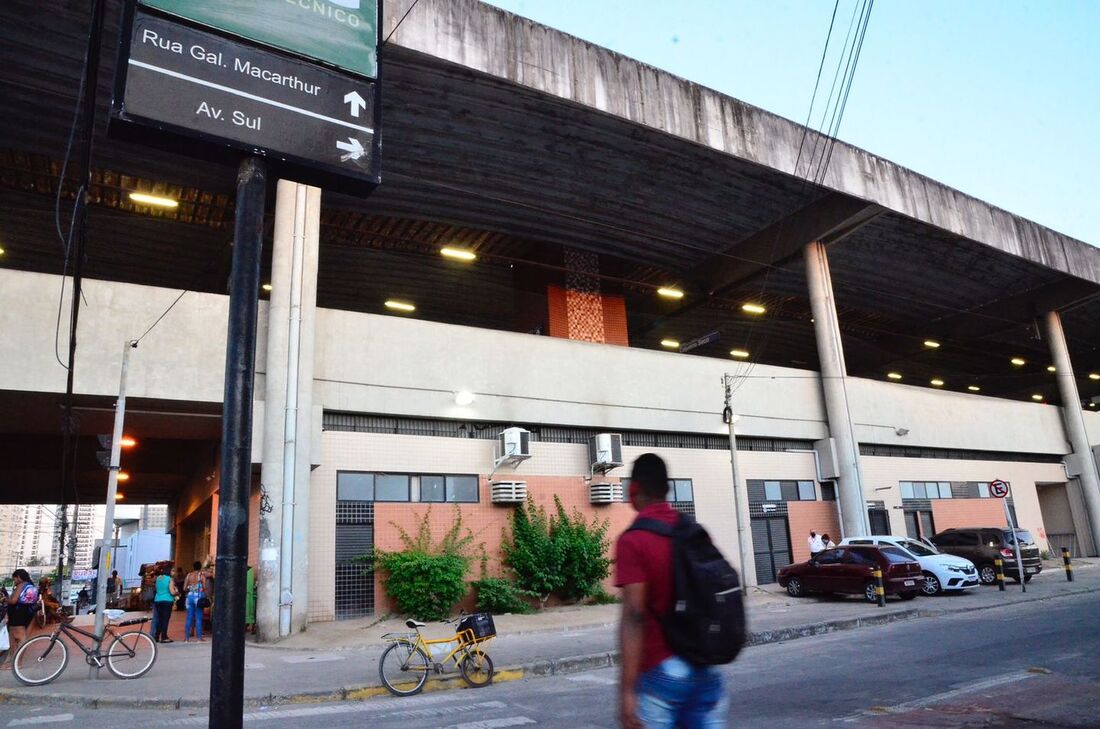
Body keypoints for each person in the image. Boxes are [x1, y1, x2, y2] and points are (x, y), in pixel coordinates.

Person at [616, 453, 727, 729]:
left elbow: (634, 617)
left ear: (633, 490)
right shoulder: (695, 532)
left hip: (663, 670)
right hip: (706, 668)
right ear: (668, 489)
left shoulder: (634, 541)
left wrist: (627, 690)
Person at [1, 570, 39, 670]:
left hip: (18, 613)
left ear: (18, 577)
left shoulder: (21, 585)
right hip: (27, 612)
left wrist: (5, 599)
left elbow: (13, 601)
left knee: (20, 638)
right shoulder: (30, 585)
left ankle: (18, 663)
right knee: (15, 638)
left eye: (14, 578)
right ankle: (11, 661)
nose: (14, 581)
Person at [183, 562, 208, 642]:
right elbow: (204, 587)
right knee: (198, 617)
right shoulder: (201, 576)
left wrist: (191, 588)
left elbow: (184, 588)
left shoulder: (188, 575)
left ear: (193, 567)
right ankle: (199, 638)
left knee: (189, 617)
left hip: (189, 597)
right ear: (200, 567)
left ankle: (186, 638)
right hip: (198, 597)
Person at [153, 565, 177, 643]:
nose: (174, 572)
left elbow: (156, 589)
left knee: (159, 619)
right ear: (169, 571)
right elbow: (172, 592)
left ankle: (156, 636)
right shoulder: (170, 579)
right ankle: (164, 637)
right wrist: (177, 592)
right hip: (167, 600)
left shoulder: (158, 579)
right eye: (172, 570)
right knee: (165, 619)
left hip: (157, 600)